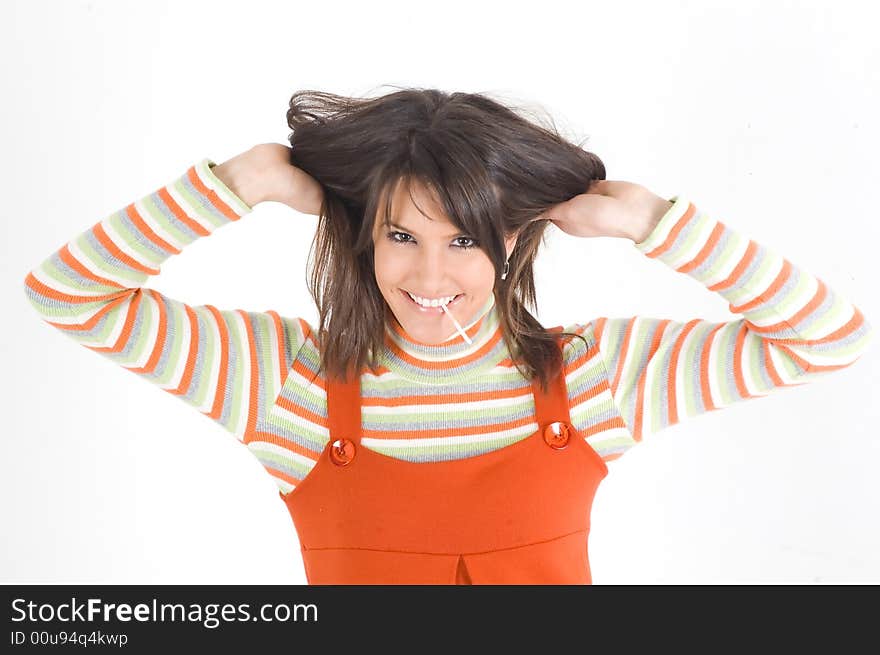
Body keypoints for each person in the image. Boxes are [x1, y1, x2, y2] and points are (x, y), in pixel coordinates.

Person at [23, 88, 873, 584]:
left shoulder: (593, 377)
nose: (431, 280)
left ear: (511, 238)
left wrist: (656, 221)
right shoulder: (283, 381)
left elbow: (825, 337)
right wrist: (238, 183)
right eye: (401, 236)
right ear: (362, 235)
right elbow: (67, 295)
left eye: (464, 239)